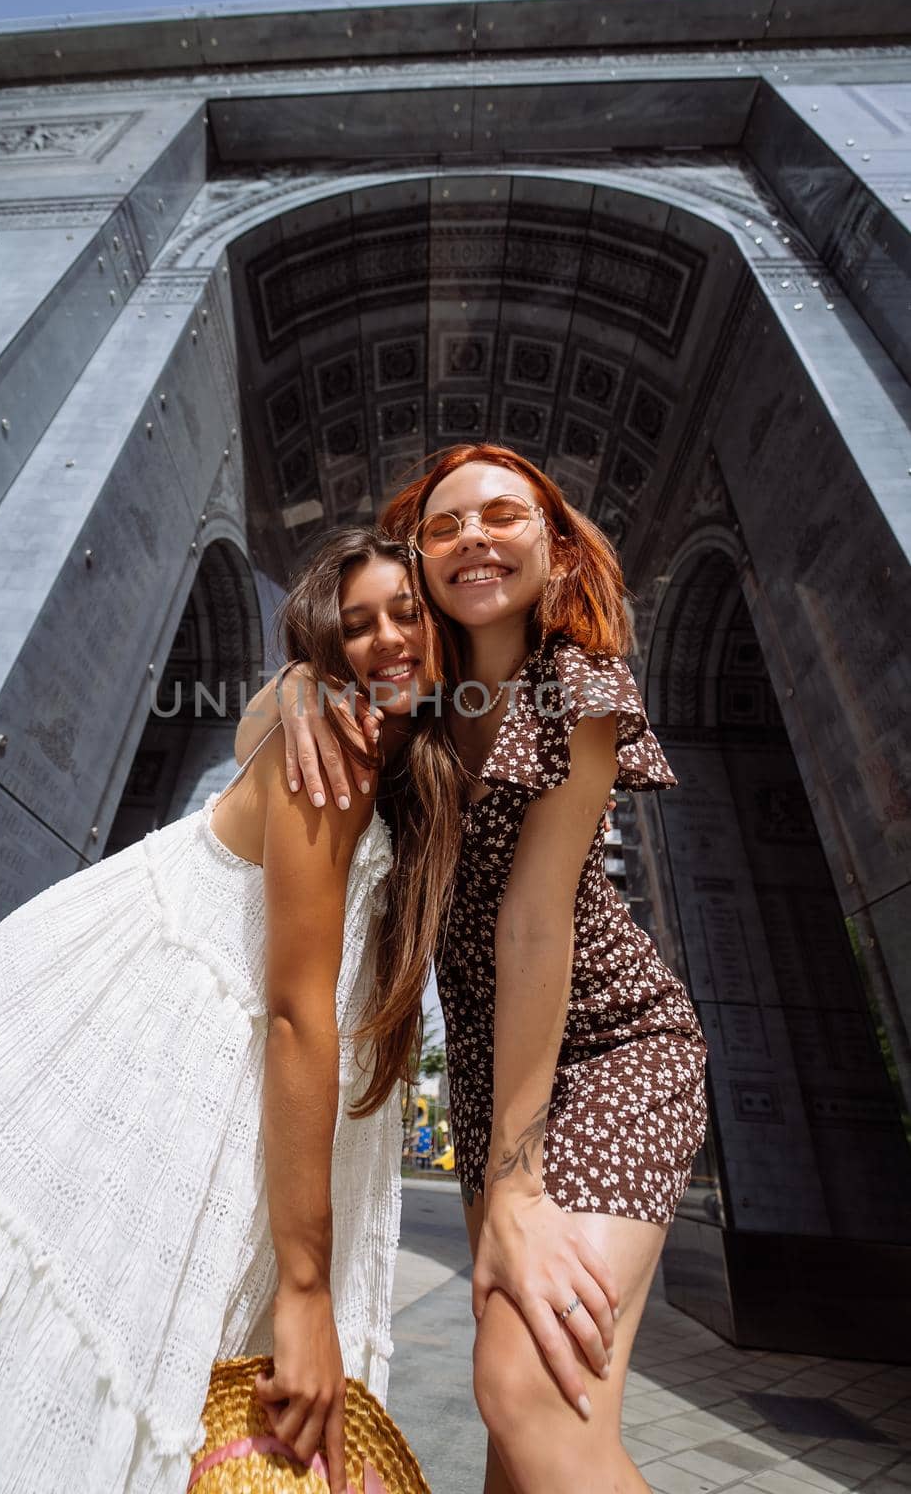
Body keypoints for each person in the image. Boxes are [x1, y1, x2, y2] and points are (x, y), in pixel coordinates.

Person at [0, 527, 440, 1494]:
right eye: (358, 625)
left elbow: (257, 724)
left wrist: (286, 693)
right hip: (156, 1035)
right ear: (328, 649)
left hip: (207, 1039)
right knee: (104, 1337)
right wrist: (305, 1287)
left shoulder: (395, 746)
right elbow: (295, 1011)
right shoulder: (337, 752)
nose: (386, 640)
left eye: (407, 615)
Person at [258, 446, 709, 1494]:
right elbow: (268, 748)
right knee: (531, 1420)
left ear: (554, 548)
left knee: (522, 1386)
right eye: (447, 524)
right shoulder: (407, 698)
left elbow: (534, 925)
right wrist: (289, 689)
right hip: (493, 1071)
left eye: (504, 515)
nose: (475, 536)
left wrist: (513, 1182)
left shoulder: (579, 685)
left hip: (613, 1049)